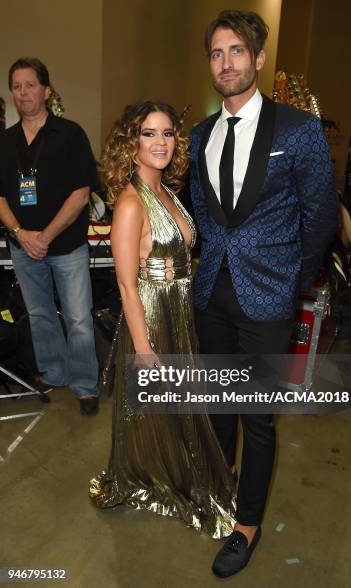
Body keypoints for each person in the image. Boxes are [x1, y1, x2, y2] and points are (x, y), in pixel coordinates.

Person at [189, 10, 338, 578]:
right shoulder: (201, 133)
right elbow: (204, 210)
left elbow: (319, 215)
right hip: (213, 295)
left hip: (270, 297)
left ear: (257, 58)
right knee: (220, 404)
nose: (225, 63)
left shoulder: (297, 130)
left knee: (257, 416)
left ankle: (246, 525)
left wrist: (292, 284)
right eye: (215, 53)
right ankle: (221, 484)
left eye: (235, 52)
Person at [89, 101, 235, 538]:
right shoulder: (132, 203)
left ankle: (175, 468)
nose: (159, 142)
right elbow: (126, 283)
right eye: (148, 133)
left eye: (167, 133)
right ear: (130, 143)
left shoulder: (168, 193)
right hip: (151, 313)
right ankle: (147, 476)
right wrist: (144, 348)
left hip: (180, 307)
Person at [0, 57, 99, 415]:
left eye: (29, 85)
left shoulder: (70, 135)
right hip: (23, 245)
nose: (22, 93)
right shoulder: (5, 141)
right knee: (40, 315)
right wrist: (21, 233)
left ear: (46, 89)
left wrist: (44, 235)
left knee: (77, 317)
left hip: (66, 245)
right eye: (16, 86)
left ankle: (86, 386)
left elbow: (81, 194)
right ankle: (53, 372)